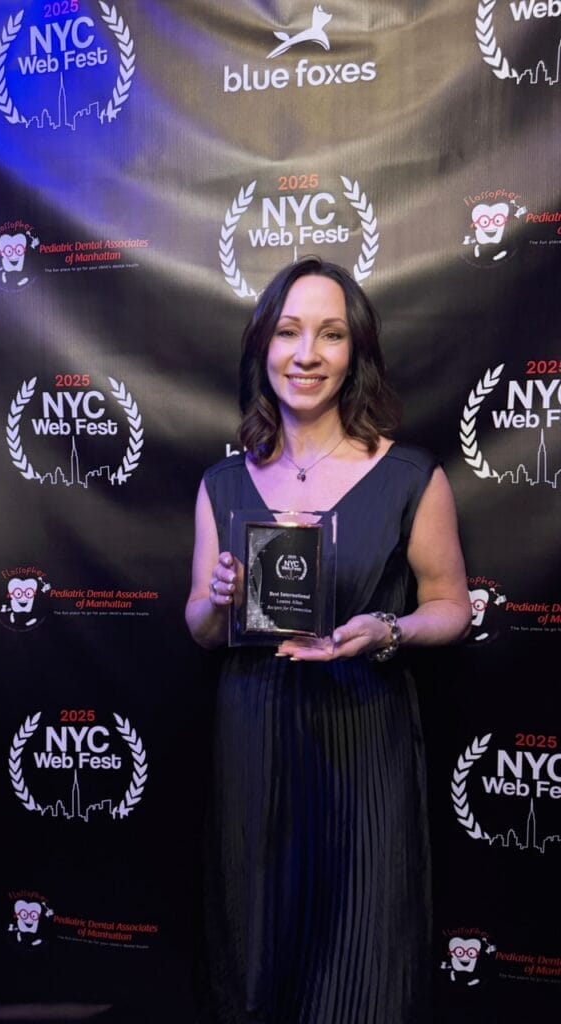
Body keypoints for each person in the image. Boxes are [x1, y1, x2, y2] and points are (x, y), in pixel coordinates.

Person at [185, 256, 471, 1024]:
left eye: (331, 334)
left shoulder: (412, 477)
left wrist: (389, 628)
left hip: (363, 736)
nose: (306, 353)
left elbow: (452, 606)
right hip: (255, 737)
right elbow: (203, 632)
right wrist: (218, 600)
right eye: (287, 332)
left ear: (356, 354)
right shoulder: (223, 484)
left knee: (365, 960)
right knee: (256, 961)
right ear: (262, 348)